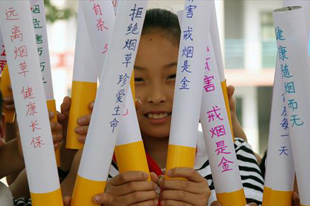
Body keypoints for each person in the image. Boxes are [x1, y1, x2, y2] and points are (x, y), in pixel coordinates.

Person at [60, 9, 264, 206]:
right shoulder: (92, 169)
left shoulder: (234, 157)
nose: (156, 97)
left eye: (173, 76)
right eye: (137, 79)